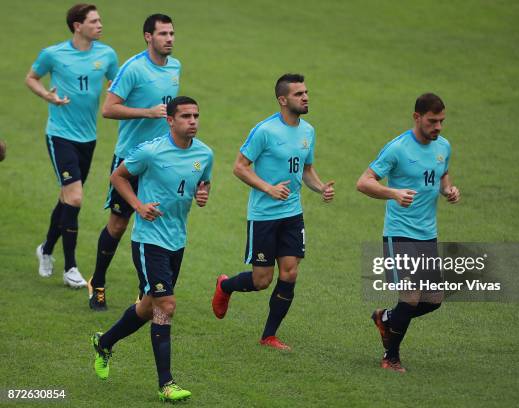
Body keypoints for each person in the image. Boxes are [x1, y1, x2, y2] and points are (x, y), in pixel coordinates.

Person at [91, 96, 212, 402]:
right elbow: (117, 176)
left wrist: (202, 194)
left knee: (147, 307)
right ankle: (166, 384)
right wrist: (138, 205)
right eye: (185, 116)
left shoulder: (204, 153)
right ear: (170, 120)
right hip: (149, 241)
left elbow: (203, 182)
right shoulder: (151, 151)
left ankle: (104, 343)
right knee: (166, 306)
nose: (193, 121)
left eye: (196, 115)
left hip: (177, 241)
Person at [211, 73, 335, 351]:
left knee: (290, 273)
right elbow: (239, 167)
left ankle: (269, 335)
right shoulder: (264, 131)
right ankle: (225, 286)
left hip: (292, 213)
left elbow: (306, 170)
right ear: (282, 99)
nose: (305, 97)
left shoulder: (308, 131)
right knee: (261, 280)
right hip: (264, 216)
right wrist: (268, 188)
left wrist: (320, 188)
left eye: (306, 92)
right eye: (298, 94)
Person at [356, 93, 460, 372]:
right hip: (399, 233)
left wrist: (448, 189)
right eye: (432, 121)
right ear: (417, 117)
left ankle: (386, 318)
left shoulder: (443, 146)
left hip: (428, 233)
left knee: (434, 300)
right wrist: (393, 193)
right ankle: (391, 358)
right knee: (411, 297)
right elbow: (363, 183)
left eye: (441, 121)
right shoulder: (397, 149)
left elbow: (443, 173)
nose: (438, 127)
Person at [87, 13, 181, 310]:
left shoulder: (175, 67)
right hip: (130, 159)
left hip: (161, 161)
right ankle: (97, 281)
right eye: (163, 34)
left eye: (172, 33)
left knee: (153, 222)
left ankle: (146, 291)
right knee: (118, 224)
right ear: (148, 37)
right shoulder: (133, 68)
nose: (169, 39)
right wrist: (147, 112)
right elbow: (108, 109)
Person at [26, 3, 118, 288]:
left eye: (100, 20)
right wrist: (47, 96)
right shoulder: (53, 54)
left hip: (88, 138)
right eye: (94, 21)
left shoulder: (107, 54)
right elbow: (31, 78)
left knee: (67, 197)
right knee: (75, 197)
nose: (100, 25)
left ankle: (46, 249)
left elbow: (117, 85)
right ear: (78, 26)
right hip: (60, 135)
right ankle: (71, 267)